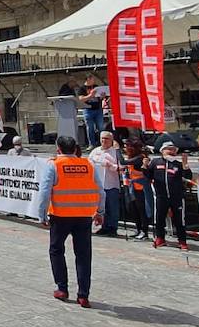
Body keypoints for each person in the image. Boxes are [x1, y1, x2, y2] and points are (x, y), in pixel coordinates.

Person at [34, 136, 105, 307]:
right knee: (83, 255)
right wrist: (100, 211)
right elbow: (101, 192)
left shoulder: (54, 165)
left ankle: (62, 288)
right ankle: (83, 295)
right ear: (75, 149)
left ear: (58, 149)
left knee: (56, 250)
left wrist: (41, 214)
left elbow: (44, 192)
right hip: (84, 216)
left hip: (60, 215)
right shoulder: (89, 164)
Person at [145, 141, 192, 250]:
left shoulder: (178, 164)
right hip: (161, 196)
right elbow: (148, 176)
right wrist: (144, 166)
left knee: (179, 220)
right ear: (162, 151)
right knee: (159, 218)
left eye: (173, 149)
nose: (171, 151)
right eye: (168, 149)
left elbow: (188, 176)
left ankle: (182, 241)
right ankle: (160, 238)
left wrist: (185, 165)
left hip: (176, 196)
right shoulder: (155, 162)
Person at [88, 130, 122, 237]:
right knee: (102, 208)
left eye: (106, 139)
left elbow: (122, 167)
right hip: (98, 185)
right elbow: (88, 164)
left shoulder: (115, 152)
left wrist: (112, 166)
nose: (104, 141)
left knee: (112, 207)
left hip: (111, 184)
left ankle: (113, 227)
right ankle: (104, 227)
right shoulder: (95, 151)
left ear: (111, 140)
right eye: (102, 138)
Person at [121, 139, 151, 240]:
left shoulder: (140, 157)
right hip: (132, 187)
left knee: (141, 210)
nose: (125, 148)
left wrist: (116, 150)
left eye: (127, 146)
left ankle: (144, 231)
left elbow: (123, 161)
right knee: (134, 209)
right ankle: (138, 229)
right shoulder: (132, 157)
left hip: (141, 188)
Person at [77, 74, 106, 139]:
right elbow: (81, 99)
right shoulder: (82, 88)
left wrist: (102, 97)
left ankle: (101, 142)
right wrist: (91, 95)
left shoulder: (96, 86)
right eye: (93, 79)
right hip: (88, 110)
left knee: (101, 127)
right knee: (90, 128)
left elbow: (99, 98)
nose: (94, 81)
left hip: (98, 109)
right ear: (88, 79)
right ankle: (92, 144)